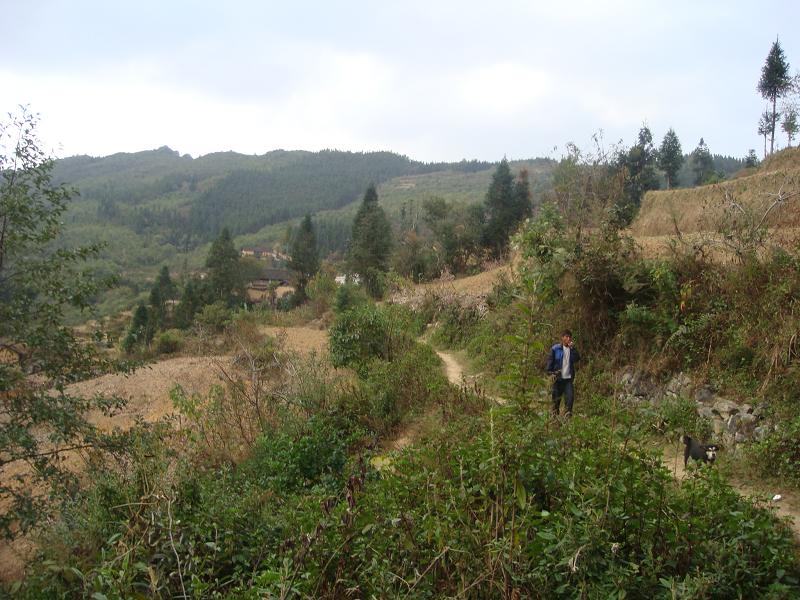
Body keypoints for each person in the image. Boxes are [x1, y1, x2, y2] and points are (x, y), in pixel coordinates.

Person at [546, 329, 580, 417]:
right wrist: (550, 373)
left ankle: (567, 417)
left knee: (570, 399)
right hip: (557, 380)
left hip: (568, 380)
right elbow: (550, 362)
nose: (568, 338)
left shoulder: (571, 349)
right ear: (562, 338)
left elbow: (577, 359)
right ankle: (555, 419)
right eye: (566, 337)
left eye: (570, 337)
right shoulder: (555, 349)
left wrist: (573, 349)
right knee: (555, 402)